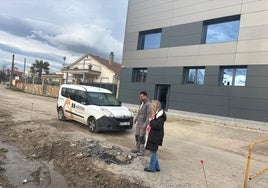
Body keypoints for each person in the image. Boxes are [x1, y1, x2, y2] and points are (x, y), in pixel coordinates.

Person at [144, 100, 166, 172]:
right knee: (154, 151)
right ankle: (157, 167)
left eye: (152, 105)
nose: (150, 107)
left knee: (152, 152)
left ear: (155, 106)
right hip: (154, 135)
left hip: (155, 136)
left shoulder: (160, 116)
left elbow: (158, 125)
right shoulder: (157, 114)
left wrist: (151, 121)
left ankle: (151, 168)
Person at [131, 91, 151, 156]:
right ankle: (137, 148)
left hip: (143, 124)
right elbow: (139, 112)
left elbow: (149, 116)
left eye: (142, 97)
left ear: (145, 96)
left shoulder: (148, 104)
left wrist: (145, 125)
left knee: (142, 137)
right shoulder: (141, 103)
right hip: (138, 122)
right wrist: (135, 119)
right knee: (137, 135)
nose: (140, 98)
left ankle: (142, 151)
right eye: (140, 97)